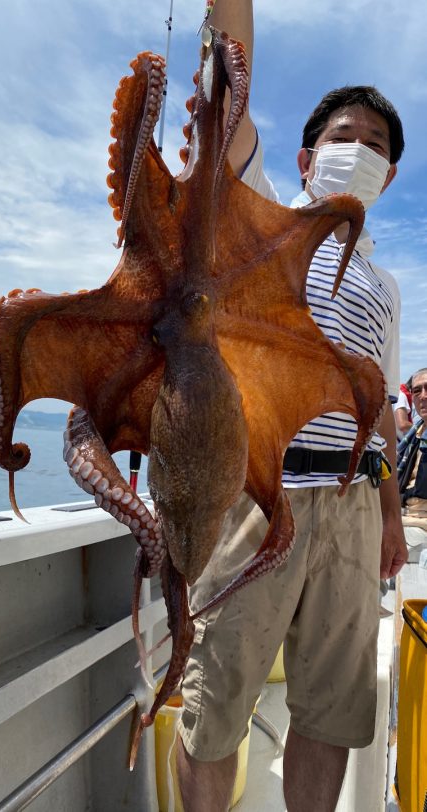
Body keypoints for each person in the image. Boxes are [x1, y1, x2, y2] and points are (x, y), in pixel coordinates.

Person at [176, 2, 409, 810]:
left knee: (331, 712)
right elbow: (229, 87)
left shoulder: (386, 288)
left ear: (389, 176)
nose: (361, 153)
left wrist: (385, 514)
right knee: (218, 706)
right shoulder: (263, 220)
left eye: (377, 147)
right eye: (346, 138)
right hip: (256, 496)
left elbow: (376, 409)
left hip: (349, 508)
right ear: (310, 158)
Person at [397, 368, 427, 561]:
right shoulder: (416, 435)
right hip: (407, 518)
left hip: (420, 523)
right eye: (417, 391)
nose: (423, 396)